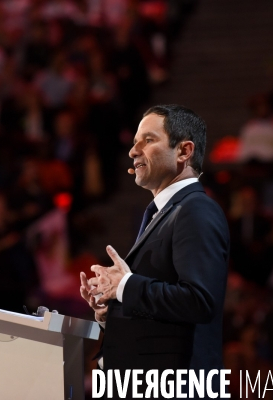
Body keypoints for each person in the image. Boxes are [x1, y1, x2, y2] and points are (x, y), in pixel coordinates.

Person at [80, 104, 230, 398]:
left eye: (147, 140)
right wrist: (114, 308)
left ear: (184, 151)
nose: (133, 152)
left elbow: (199, 301)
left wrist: (124, 285)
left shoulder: (195, 210)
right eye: (135, 142)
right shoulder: (164, 214)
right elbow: (165, 307)